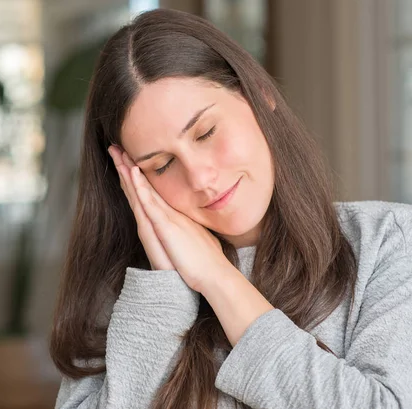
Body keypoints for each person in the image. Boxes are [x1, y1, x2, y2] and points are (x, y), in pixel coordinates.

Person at [49, 8, 412, 409]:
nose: (201, 178)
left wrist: (219, 280)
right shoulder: (125, 293)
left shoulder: (388, 241)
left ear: (260, 91)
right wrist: (162, 292)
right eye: (162, 165)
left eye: (205, 132)